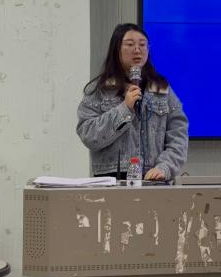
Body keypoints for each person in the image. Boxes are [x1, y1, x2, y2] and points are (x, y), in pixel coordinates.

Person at [77, 23, 188, 181]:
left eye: (142, 45)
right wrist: (124, 109)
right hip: (112, 180)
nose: (137, 50)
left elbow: (179, 136)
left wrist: (164, 167)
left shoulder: (162, 89)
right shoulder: (100, 90)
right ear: (116, 49)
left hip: (153, 178)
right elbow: (88, 134)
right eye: (130, 44)